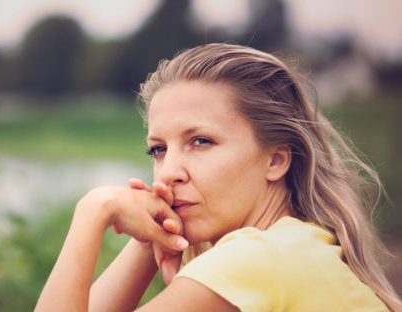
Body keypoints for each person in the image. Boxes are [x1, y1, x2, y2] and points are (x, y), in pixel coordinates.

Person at [34, 44, 402, 311]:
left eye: (201, 141)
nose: (169, 172)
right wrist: (150, 240)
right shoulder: (298, 245)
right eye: (158, 150)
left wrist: (94, 209)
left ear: (276, 160)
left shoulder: (258, 257)